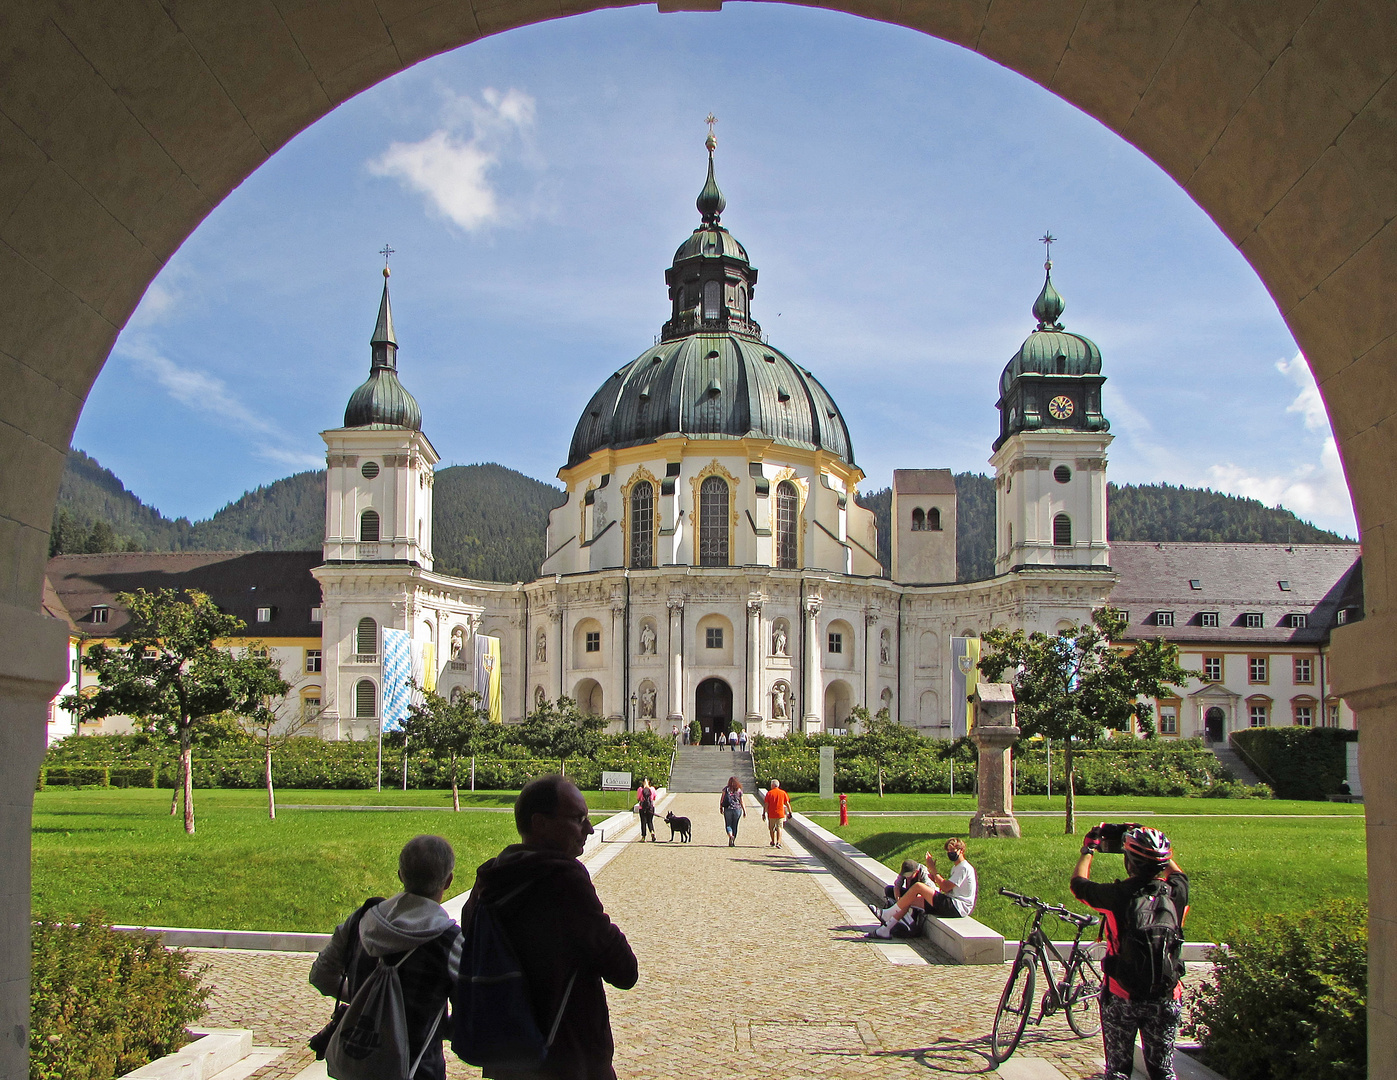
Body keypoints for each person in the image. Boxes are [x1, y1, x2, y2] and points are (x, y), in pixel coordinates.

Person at [459, 775, 638, 1079]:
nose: (589, 829)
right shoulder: (563, 880)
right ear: (540, 823)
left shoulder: (489, 880)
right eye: (577, 819)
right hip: (567, 1054)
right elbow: (624, 970)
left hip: (509, 1053)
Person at [310, 834, 463, 1080]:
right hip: (418, 1069)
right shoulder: (451, 941)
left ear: (401, 875)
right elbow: (467, 1014)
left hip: (358, 1067)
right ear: (448, 881)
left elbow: (321, 975)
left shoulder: (361, 921)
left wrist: (363, 995)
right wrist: (441, 1027)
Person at [1071, 826, 1189, 1080]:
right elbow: (1179, 875)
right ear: (1162, 861)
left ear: (1128, 862)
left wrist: (1089, 849)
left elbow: (1078, 885)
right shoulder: (1177, 894)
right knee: (1163, 1070)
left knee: (1118, 1070)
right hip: (1166, 995)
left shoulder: (1117, 896)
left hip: (1122, 993)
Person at [872, 838, 977, 938]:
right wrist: (935, 877)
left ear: (961, 850)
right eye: (948, 850)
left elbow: (945, 887)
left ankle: (888, 914)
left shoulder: (964, 867)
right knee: (909, 899)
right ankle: (885, 930)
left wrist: (933, 870)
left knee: (918, 886)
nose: (950, 853)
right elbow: (949, 888)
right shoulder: (957, 867)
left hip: (957, 906)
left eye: (952, 850)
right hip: (951, 903)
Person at [762, 778, 791, 848]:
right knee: (779, 827)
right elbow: (787, 803)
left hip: (771, 814)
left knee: (771, 828)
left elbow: (766, 804)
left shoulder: (769, 793)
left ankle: (773, 841)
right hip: (780, 813)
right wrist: (790, 812)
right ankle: (779, 842)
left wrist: (764, 813)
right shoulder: (783, 793)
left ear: (772, 785)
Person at [719, 776, 746, 847]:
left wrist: (721, 807)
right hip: (737, 809)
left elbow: (722, 799)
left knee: (728, 824)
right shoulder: (739, 790)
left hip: (728, 808)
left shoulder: (726, 789)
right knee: (735, 825)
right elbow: (742, 801)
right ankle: (733, 841)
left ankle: (730, 835)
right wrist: (744, 810)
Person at [635, 777, 657, 842]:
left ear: (642, 782)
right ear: (649, 782)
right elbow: (654, 797)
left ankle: (644, 837)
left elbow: (638, 798)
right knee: (650, 821)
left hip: (642, 808)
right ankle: (652, 832)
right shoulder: (652, 789)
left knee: (643, 822)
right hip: (651, 807)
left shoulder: (640, 789)